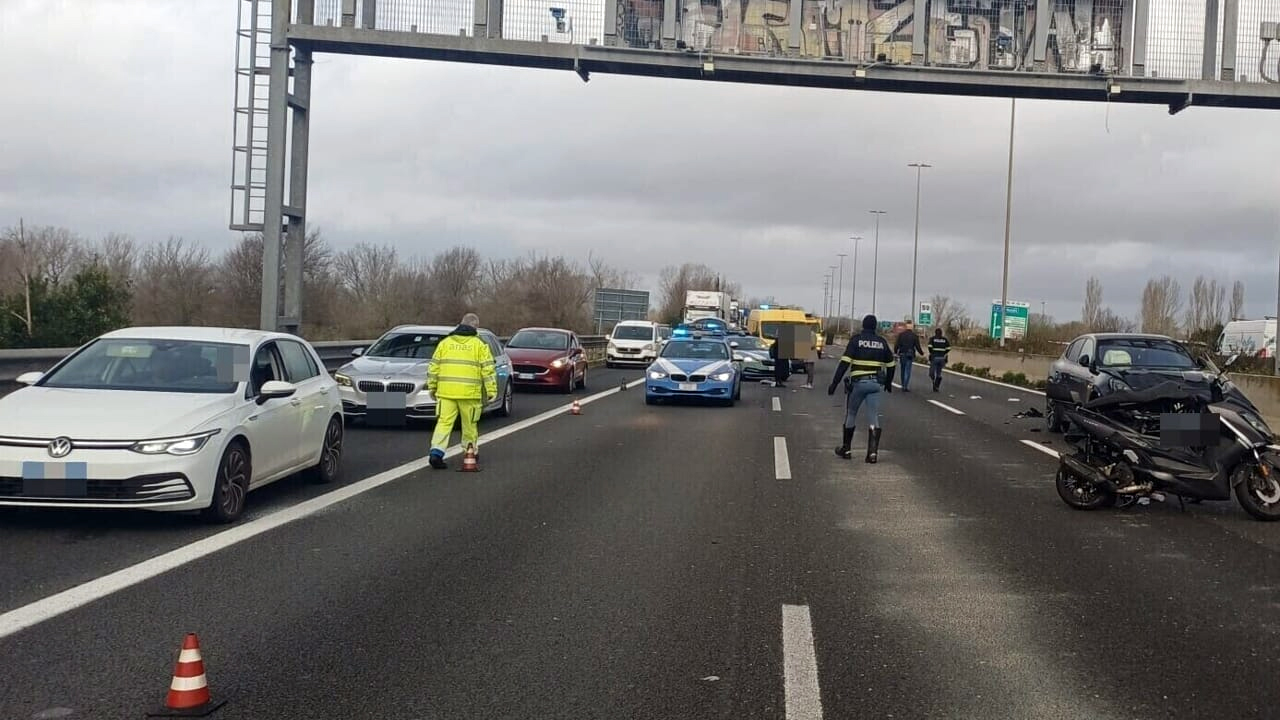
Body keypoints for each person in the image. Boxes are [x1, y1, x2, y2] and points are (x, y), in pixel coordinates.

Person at [427, 313, 498, 470]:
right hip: (469, 393)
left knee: (444, 423)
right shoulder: (479, 345)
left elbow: (433, 367)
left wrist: (432, 387)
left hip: (446, 392)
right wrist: (491, 390)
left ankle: (436, 453)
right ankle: (470, 453)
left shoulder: (445, 343)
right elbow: (488, 369)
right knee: (469, 425)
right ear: (476, 327)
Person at [828, 314, 896, 463]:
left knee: (851, 413)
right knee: (873, 416)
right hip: (875, 384)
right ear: (875, 327)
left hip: (858, 383)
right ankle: (872, 453)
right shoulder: (881, 342)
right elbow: (891, 365)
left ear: (863, 326)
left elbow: (844, 363)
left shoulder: (856, 340)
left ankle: (846, 449)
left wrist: (834, 383)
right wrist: (888, 383)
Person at [894, 323, 925, 392]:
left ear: (906, 327)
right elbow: (917, 346)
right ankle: (905, 385)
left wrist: (895, 352)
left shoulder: (901, 335)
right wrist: (922, 353)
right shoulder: (914, 336)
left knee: (902, 369)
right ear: (912, 328)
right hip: (910, 354)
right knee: (907, 370)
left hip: (902, 353)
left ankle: (903, 384)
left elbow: (897, 345)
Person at [928, 328, 952, 392]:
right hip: (942, 358)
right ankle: (937, 385)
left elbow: (929, 347)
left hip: (934, 358)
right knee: (939, 372)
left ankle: (934, 382)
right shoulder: (945, 339)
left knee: (931, 372)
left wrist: (932, 352)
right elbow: (949, 348)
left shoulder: (932, 339)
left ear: (935, 333)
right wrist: (944, 352)